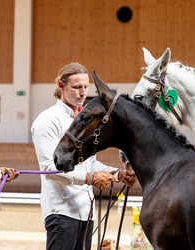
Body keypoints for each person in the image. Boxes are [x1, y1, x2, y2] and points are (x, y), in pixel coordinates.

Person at [31, 62, 136, 250]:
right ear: (61, 86)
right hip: (61, 212)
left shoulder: (83, 120)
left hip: (86, 211)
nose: (82, 92)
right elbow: (48, 169)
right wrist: (89, 179)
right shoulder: (48, 120)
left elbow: (90, 165)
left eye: (86, 87)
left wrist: (117, 174)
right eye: (76, 87)